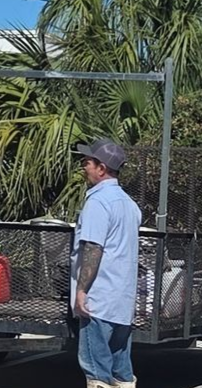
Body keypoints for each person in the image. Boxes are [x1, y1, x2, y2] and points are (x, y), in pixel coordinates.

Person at [71, 138, 142, 388]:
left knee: (96, 369)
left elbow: (93, 248)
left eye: (87, 162)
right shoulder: (130, 205)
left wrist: (81, 291)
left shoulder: (98, 203)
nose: (84, 167)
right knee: (121, 368)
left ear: (101, 168)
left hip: (98, 300)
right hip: (122, 301)